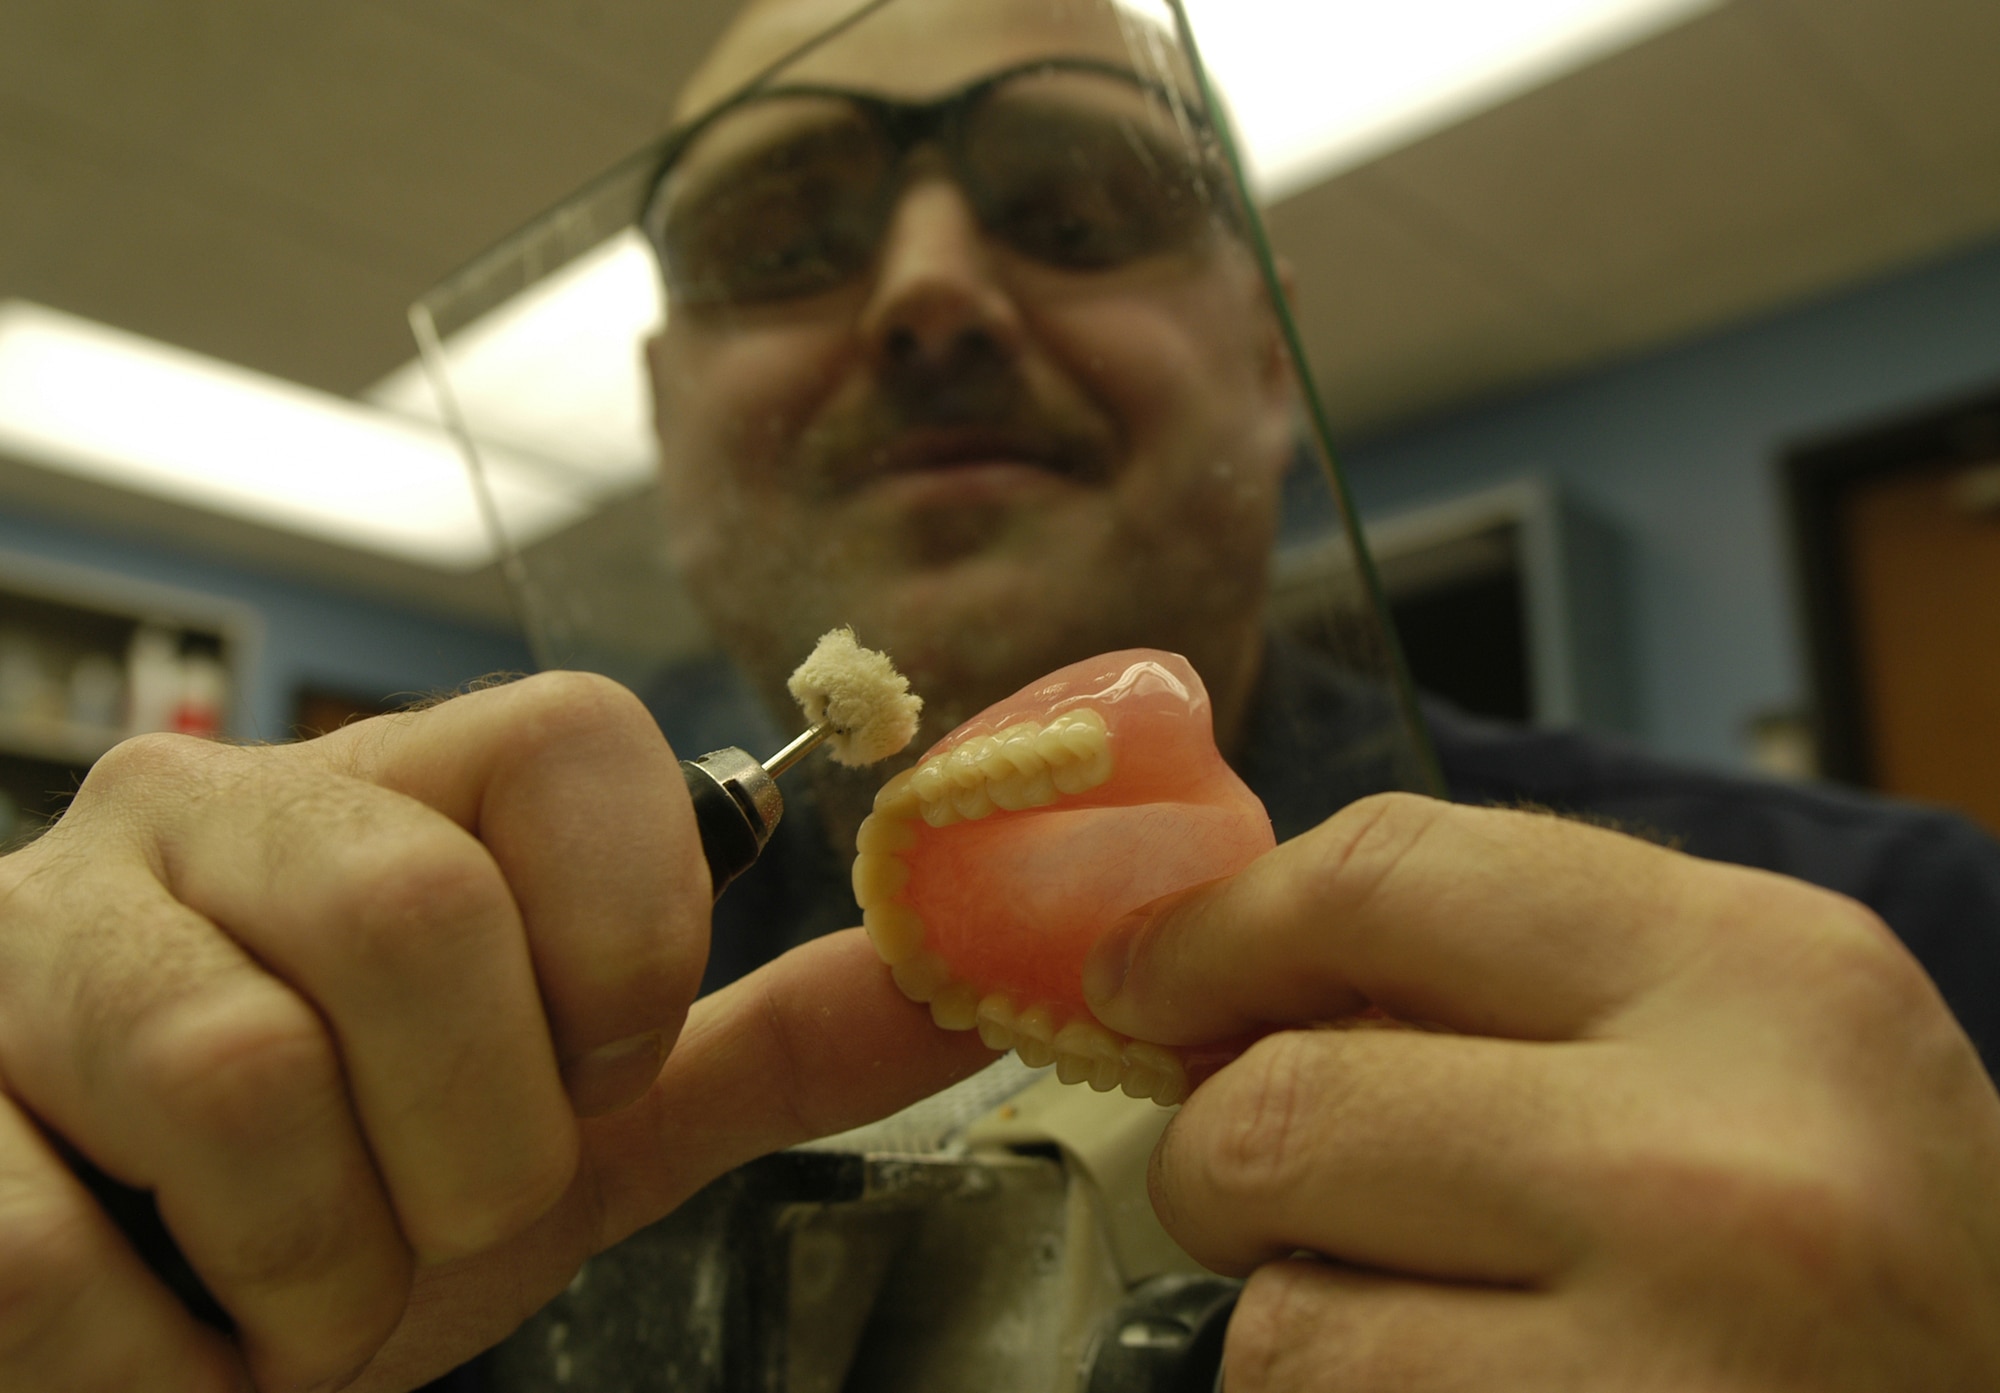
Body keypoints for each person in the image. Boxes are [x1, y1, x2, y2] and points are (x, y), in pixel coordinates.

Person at [4, 2, 1999, 1391]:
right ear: (661, 417)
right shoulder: (373, 1075)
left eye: (1074, 208)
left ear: (1265, 353)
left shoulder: (1907, 968)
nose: (930, 291)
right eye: (779, 244)